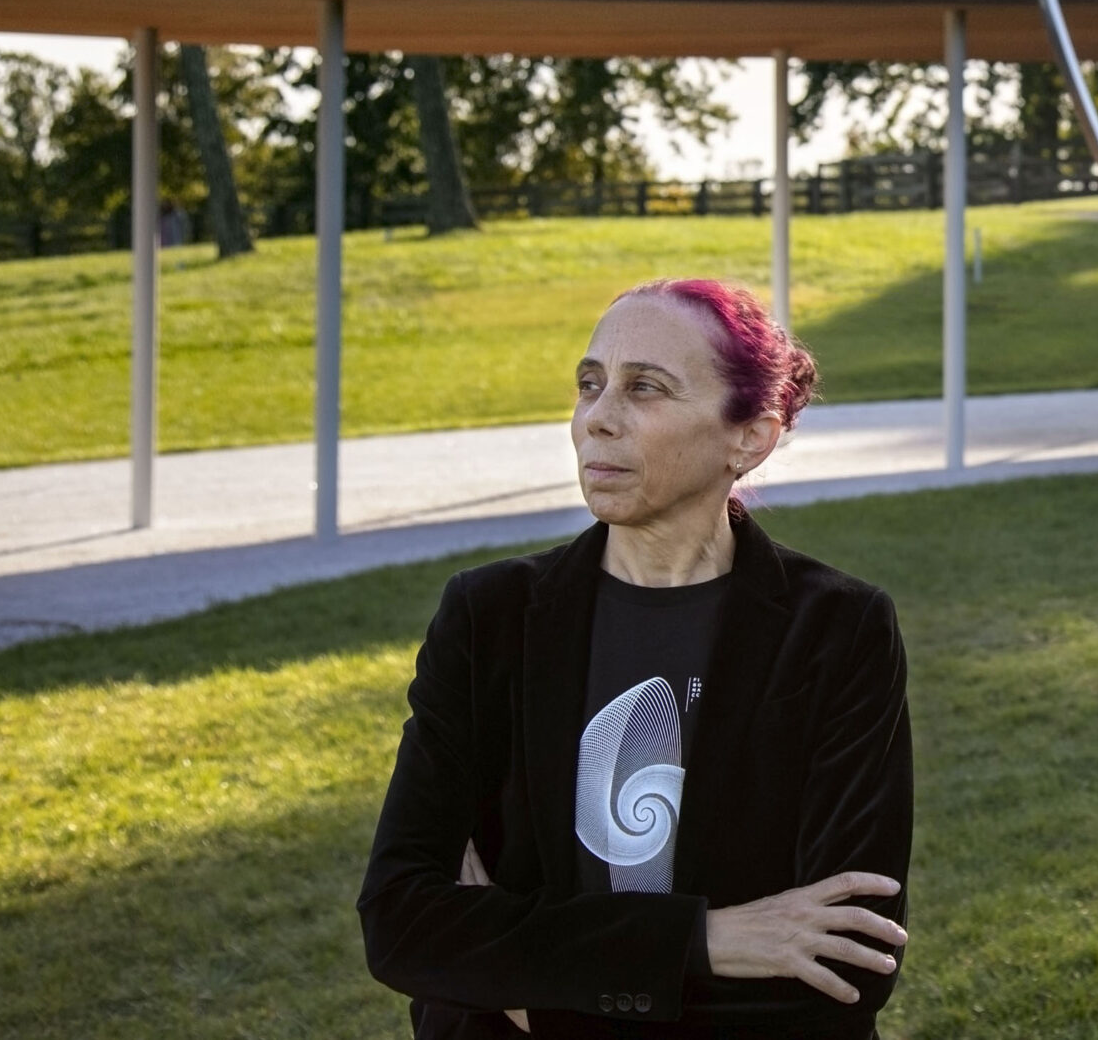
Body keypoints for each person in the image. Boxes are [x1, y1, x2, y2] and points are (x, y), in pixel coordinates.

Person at [358, 277, 913, 1038]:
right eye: (590, 385)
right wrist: (705, 942)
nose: (598, 420)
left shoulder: (836, 631)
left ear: (751, 434)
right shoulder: (490, 619)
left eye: (645, 389)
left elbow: (842, 965)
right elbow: (403, 921)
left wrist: (524, 985)